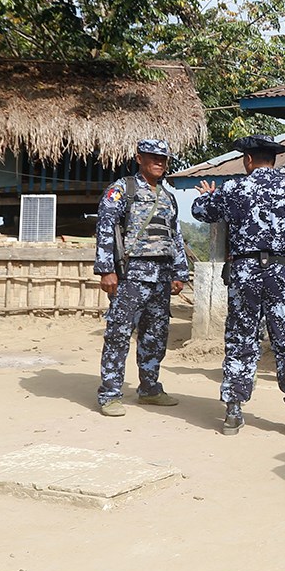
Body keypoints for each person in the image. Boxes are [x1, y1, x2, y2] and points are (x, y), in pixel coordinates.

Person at [192, 134, 285, 437]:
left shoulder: (235, 188)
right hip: (283, 273)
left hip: (245, 273)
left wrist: (208, 195)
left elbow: (200, 211)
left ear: (248, 160)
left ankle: (233, 413)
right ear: (273, 159)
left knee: (241, 340)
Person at [94, 139, 188, 417]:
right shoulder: (121, 190)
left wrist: (179, 272)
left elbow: (176, 236)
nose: (159, 162)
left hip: (161, 276)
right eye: (153, 157)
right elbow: (105, 228)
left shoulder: (169, 197)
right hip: (130, 276)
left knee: (155, 335)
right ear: (139, 158)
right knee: (119, 333)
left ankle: (149, 388)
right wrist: (106, 269)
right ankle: (110, 394)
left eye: (163, 158)